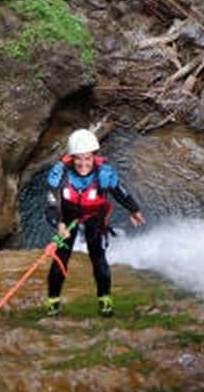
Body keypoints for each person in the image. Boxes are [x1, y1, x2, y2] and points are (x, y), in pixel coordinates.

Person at [44, 128, 146, 317]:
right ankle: (53, 301)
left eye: (88, 158)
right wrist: (59, 224)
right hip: (66, 217)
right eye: (78, 159)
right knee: (61, 257)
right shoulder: (59, 173)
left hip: (93, 217)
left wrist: (134, 210)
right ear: (71, 158)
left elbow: (120, 192)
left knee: (98, 257)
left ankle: (104, 299)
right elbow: (51, 203)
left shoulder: (105, 173)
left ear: (94, 157)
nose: (83, 164)